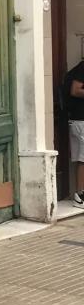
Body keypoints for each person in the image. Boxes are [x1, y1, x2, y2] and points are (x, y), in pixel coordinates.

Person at [65, 59, 84, 208]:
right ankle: (80, 195)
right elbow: (75, 90)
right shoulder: (82, 68)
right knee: (83, 159)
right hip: (80, 120)